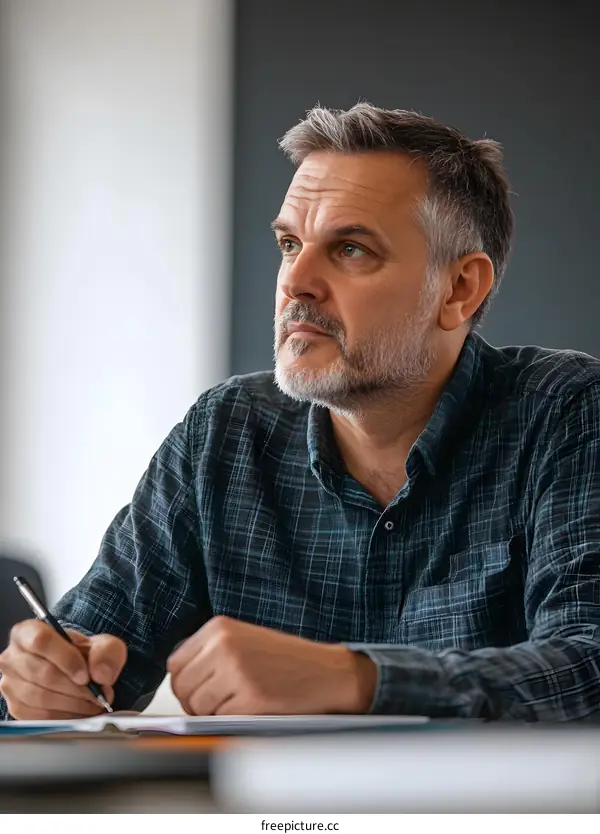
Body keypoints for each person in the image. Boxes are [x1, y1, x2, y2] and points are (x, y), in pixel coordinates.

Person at [1, 103, 600, 723]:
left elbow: (589, 666)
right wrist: (49, 679)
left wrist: (355, 678)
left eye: (350, 249)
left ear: (459, 290)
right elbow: (91, 654)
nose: (297, 281)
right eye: (290, 243)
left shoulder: (567, 413)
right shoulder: (224, 432)